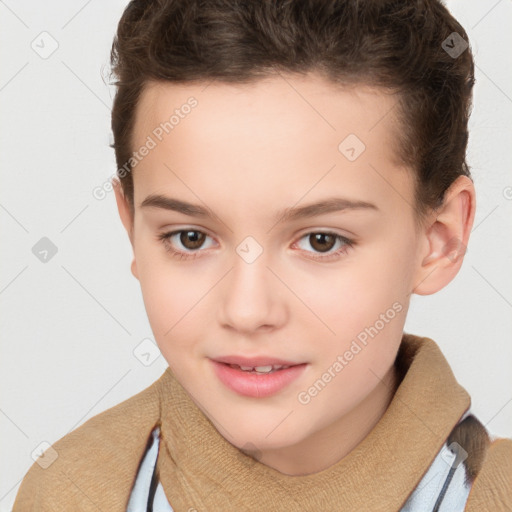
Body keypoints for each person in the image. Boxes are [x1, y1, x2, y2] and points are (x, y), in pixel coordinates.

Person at [13, 0, 512, 510]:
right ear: (132, 227)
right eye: (190, 237)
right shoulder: (69, 493)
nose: (247, 311)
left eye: (322, 241)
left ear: (440, 239)